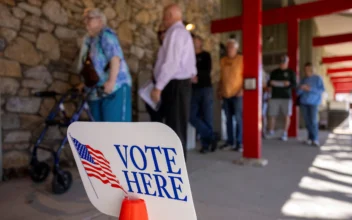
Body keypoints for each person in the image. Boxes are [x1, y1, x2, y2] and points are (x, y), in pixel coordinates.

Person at [151, 4, 197, 160]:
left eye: (164, 16)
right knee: (174, 125)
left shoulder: (176, 33)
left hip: (176, 84)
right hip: (177, 84)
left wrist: (158, 87)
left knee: (175, 126)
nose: (163, 20)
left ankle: (176, 166)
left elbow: (172, 63)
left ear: (170, 15)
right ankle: (174, 164)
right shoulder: (179, 33)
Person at [77, 8, 132, 122]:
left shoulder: (106, 35)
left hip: (113, 89)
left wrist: (111, 81)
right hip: (95, 92)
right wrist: (84, 84)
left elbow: (115, 58)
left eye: (89, 18)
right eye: (84, 19)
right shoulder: (89, 40)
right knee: (99, 132)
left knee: (114, 129)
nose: (85, 21)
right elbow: (93, 67)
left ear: (100, 20)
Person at [189, 35, 217, 154]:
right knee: (191, 116)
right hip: (193, 89)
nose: (194, 42)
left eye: (197, 40)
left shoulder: (206, 55)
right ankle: (211, 136)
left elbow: (207, 71)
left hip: (205, 88)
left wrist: (196, 76)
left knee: (207, 116)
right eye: (193, 41)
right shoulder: (189, 56)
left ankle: (206, 145)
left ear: (201, 42)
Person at [218, 39, 243, 152]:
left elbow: (246, 76)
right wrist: (219, 90)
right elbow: (221, 77)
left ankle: (239, 142)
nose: (229, 49)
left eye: (231, 47)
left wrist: (242, 89)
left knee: (238, 118)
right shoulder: (223, 61)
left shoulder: (241, 60)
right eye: (228, 47)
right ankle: (229, 141)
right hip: (226, 94)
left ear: (236, 49)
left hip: (237, 94)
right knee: (228, 119)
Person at [266, 55, 296, 141]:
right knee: (272, 114)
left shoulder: (291, 72)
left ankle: (284, 133)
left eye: (284, 63)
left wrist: (289, 84)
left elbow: (295, 85)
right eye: (281, 63)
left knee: (286, 115)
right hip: (274, 96)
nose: (282, 64)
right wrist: (271, 83)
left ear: (287, 63)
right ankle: (271, 131)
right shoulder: (274, 72)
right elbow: (268, 83)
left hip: (286, 97)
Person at [297, 62, 325, 147]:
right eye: (306, 69)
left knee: (313, 120)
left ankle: (315, 139)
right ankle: (310, 138)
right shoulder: (303, 79)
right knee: (307, 121)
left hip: (314, 102)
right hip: (304, 102)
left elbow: (321, 90)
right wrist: (302, 88)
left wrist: (310, 89)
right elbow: (298, 92)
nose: (307, 71)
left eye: (309, 69)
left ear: (312, 69)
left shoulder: (318, 78)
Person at [145, 24, 166, 123]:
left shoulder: (170, 49)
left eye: (164, 32)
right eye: (159, 33)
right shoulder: (160, 50)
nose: (162, 35)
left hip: (166, 87)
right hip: (157, 84)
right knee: (153, 111)